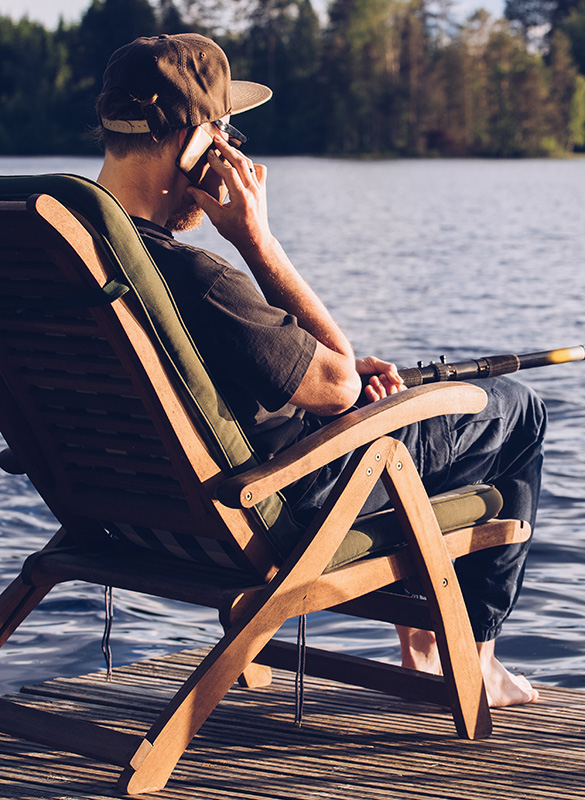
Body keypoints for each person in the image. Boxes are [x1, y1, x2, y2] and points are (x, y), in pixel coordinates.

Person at [94, 33, 547, 707]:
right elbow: (338, 388)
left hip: (120, 509)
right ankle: (467, 658)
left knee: (391, 413)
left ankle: (426, 642)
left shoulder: (61, 256)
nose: (233, 151)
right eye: (225, 132)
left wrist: (307, 370)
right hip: (271, 505)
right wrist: (257, 241)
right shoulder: (194, 277)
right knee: (511, 410)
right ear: (196, 142)